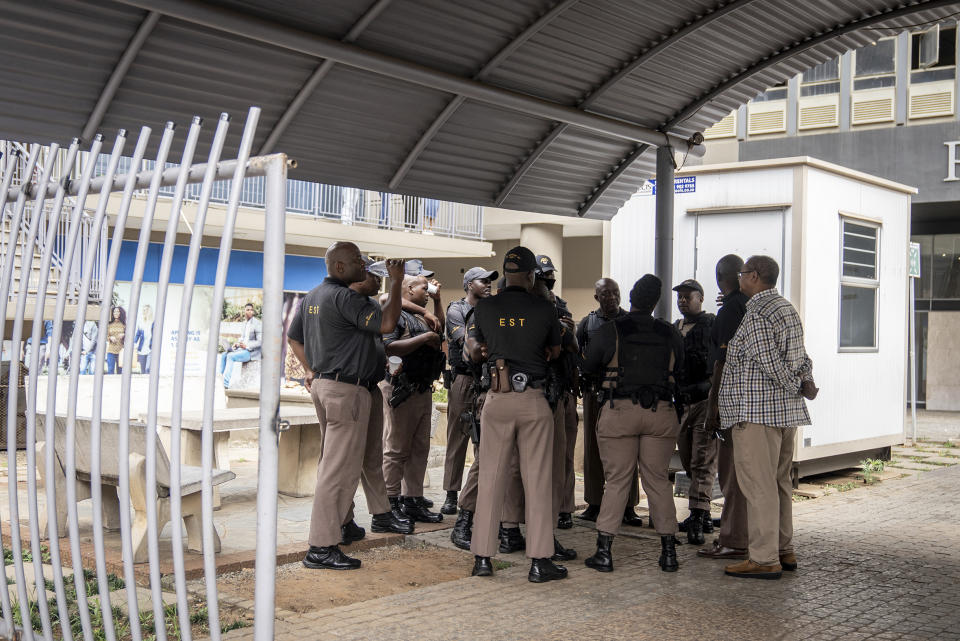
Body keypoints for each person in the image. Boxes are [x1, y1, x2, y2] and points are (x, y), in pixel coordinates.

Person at [286, 242, 404, 570]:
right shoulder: (346, 297)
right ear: (340, 267)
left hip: (327, 386)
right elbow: (387, 324)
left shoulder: (312, 297)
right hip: (345, 391)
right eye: (357, 261)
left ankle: (343, 524)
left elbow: (294, 338)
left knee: (339, 463)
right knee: (337, 471)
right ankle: (322, 547)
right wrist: (396, 282)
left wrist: (312, 370)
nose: (364, 265)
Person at [465, 246, 567, 583]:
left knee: (491, 477)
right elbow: (554, 351)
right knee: (537, 480)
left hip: (496, 397)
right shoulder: (544, 308)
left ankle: (482, 557)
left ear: (506, 273)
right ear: (530, 274)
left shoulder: (486, 306)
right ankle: (539, 562)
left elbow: (476, 350)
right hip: (533, 398)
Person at [720, 255, 818, 580]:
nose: (739, 277)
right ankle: (783, 549)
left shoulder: (758, 312)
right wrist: (804, 381)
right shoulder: (786, 308)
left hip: (758, 414)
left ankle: (763, 559)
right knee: (779, 484)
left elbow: (768, 362)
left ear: (755, 276)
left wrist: (796, 385)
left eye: (743, 273)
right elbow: (801, 356)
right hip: (783, 414)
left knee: (758, 485)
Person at [582, 275, 685, 573]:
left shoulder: (611, 330)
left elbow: (589, 366)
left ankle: (604, 552)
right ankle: (668, 553)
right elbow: (682, 369)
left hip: (619, 411)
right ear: (656, 302)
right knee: (657, 481)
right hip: (661, 412)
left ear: (630, 296)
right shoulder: (670, 333)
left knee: (616, 481)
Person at [336, 257, 414, 545]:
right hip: (348, 390)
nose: (378, 279)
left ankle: (381, 514)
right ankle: (342, 521)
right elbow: (296, 337)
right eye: (373, 274)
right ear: (356, 276)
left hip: (369, 386)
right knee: (345, 463)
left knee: (372, 458)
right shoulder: (345, 302)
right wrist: (311, 370)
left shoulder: (366, 304)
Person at [576, 278, 644, 527]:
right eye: (605, 294)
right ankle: (594, 503)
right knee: (593, 449)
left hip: (623, 393)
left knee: (627, 450)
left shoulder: (630, 323)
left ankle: (628, 507)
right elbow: (579, 355)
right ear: (597, 297)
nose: (612, 298)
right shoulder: (587, 323)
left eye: (615, 293)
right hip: (595, 393)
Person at [698, 255, 751, 561]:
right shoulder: (746, 305)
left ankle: (732, 540)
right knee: (742, 474)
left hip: (730, 401)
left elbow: (722, 362)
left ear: (721, 278)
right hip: (748, 402)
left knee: (730, 475)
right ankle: (740, 534)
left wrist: (712, 407)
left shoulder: (731, 309)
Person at [381, 274, 446, 523]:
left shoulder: (423, 315)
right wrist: (425, 338)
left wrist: (437, 303)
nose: (427, 290)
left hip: (422, 388)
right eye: (423, 286)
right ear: (408, 288)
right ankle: (390, 502)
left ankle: (413, 500)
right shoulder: (395, 312)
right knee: (396, 449)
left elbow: (440, 329)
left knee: (420, 448)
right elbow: (389, 346)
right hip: (402, 388)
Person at [440, 266, 498, 515]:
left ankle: (478, 493)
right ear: (469, 284)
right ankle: (451, 494)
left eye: (490, 281)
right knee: (457, 437)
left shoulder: (492, 309)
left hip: (487, 380)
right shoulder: (457, 309)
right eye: (483, 281)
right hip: (463, 379)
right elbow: (467, 343)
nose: (488, 285)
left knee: (484, 437)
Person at [533, 255, 580, 532]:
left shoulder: (560, 305)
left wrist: (569, 332)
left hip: (562, 388)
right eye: (543, 276)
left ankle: (564, 508)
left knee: (565, 456)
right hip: (537, 389)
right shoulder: (527, 308)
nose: (549, 280)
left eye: (551, 275)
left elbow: (572, 347)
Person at [672, 279, 717, 545]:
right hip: (681, 401)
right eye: (679, 297)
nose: (682, 301)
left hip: (703, 400)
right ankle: (704, 511)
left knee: (703, 459)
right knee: (689, 459)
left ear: (701, 298)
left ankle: (698, 517)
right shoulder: (674, 329)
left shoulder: (711, 325)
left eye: (688, 296)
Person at [218, 303, 262, 389]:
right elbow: (242, 338)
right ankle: (219, 380)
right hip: (242, 349)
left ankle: (225, 384)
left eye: (251, 310)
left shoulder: (257, 324)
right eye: (247, 309)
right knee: (224, 355)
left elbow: (260, 342)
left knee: (230, 356)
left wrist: (247, 346)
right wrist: (237, 344)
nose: (250, 311)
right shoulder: (244, 323)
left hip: (251, 352)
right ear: (244, 311)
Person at [134, 304, 154, 374]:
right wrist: (134, 344)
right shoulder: (141, 323)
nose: (143, 312)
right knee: (142, 370)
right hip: (142, 350)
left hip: (151, 349)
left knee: (148, 368)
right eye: (143, 310)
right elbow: (137, 335)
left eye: (145, 310)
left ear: (149, 311)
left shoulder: (153, 323)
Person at [106, 306, 126, 375]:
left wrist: (124, 335)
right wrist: (110, 337)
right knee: (110, 371)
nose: (116, 313)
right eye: (114, 311)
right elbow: (106, 336)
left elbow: (129, 336)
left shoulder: (124, 325)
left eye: (118, 311)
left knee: (120, 372)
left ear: (120, 313)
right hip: (111, 351)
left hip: (121, 351)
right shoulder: (109, 324)